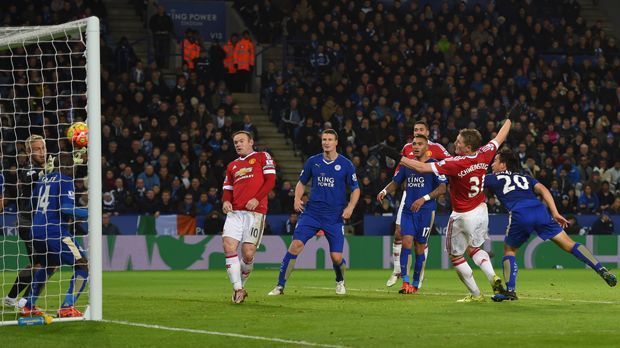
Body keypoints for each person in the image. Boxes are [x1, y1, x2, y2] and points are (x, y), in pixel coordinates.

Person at [386, 117, 513, 302]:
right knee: (475, 248)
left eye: (459, 142)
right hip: (481, 210)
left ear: (468, 148)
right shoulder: (485, 153)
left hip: (463, 214)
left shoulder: (454, 163)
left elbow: (421, 167)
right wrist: (510, 119)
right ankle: (492, 276)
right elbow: (501, 136)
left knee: (456, 257)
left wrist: (399, 157)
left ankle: (476, 294)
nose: (455, 143)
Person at [485, 148, 616, 301]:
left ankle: (511, 291)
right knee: (570, 244)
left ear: (503, 165)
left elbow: (471, 181)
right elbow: (543, 190)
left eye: (495, 160)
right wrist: (555, 212)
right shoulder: (525, 178)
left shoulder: (492, 178)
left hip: (520, 213)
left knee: (509, 251)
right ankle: (600, 269)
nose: (492, 164)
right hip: (540, 210)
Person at [268, 129, 360, 296]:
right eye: (324, 139)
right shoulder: (313, 162)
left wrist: (350, 207)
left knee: (336, 258)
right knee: (295, 246)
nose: (326, 142)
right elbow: (301, 183)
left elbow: (355, 189)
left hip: (334, 217)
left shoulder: (346, 164)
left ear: (336, 142)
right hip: (312, 214)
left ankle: (340, 280)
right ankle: (280, 286)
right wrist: (297, 199)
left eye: (330, 139)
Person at [383, 121, 451, 288]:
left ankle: (416, 279)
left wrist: (425, 198)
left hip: (426, 206)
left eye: (421, 133)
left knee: (420, 244)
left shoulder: (436, 158)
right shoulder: (407, 153)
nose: (415, 145)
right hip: (409, 202)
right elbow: (397, 178)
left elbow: (449, 169)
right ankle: (402, 277)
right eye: (415, 133)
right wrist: (384, 191)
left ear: (427, 138)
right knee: (403, 237)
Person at [22, 153, 89, 318]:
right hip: (54, 231)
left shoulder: (42, 180)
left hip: (36, 231)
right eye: (73, 168)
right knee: (83, 265)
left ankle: (28, 305)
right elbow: (66, 208)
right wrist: (88, 212)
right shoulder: (66, 180)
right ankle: (67, 306)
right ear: (68, 167)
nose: (74, 171)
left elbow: (31, 204)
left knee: (49, 265)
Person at [221, 131, 277, 304]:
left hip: (255, 212)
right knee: (229, 247)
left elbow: (270, 181)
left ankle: (241, 284)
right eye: (235, 142)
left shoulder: (262, 156)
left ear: (251, 142)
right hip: (235, 213)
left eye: (241, 141)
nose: (238, 144)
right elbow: (227, 188)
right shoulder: (232, 166)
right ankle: (238, 289)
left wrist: (257, 198)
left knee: (248, 253)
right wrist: (225, 202)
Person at [4, 135, 49, 308]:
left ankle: (12, 298)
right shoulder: (28, 168)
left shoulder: (45, 168)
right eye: (38, 149)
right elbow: (31, 178)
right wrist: (44, 172)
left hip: (38, 223)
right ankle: (25, 303)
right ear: (29, 151)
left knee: (38, 264)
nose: (42, 152)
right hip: (28, 223)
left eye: (43, 148)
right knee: (41, 264)